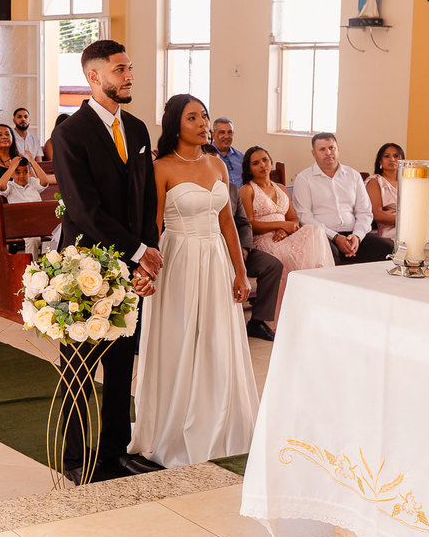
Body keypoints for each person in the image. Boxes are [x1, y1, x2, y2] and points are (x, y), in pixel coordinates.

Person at [51, 40, 163, 485]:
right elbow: (83, 209)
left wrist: (146, 260)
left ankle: (115, 451)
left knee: (121, 365)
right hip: (84, 265)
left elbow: (146, 198)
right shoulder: (70, 134)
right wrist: (136, 251)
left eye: (130, 67)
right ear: (94, 77)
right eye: (120, 69)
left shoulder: (136, 130)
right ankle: (76, 456)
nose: (129, 76)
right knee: (78, 364)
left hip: (131, 266)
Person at [129, 95, 256, 469]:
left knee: (218, 338)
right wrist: (145, 268)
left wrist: (240, 269)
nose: (203, 123)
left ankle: (220, 422)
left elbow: (227, 221)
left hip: (215, 257)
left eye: (204, 116)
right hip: (178, 259)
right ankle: (174, 422)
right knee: (181, 338)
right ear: (175, 125)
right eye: (193, 118)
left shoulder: (217, 164)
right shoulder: (161, 167)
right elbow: (151, 224)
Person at [240, 145, 333, 325]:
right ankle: (290, 310)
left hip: (285, 236)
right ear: (249, 168)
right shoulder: (248, 190)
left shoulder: (281, 188)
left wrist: (285, 229)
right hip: (264, 240)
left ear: (271, 161)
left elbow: (294, 220)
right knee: (294, 255)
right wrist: (281, 225)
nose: (262, 165)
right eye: (256, 163)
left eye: (265, 160)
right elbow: (249, 223)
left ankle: (313, 301)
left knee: (315, 231)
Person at [292, 132, 393, 265]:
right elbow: (304, 217)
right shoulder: (304, 178)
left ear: (338, 149)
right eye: (322, 149)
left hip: (354, 234)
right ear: (313, 153)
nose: (328, 152)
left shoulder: (353, 175)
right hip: (323, 236)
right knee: (330, 254)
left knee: (388, 250)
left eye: (331, 148)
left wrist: (357, 236)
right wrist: (335, 237)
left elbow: (364, 212)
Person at [221, 148, 284, 342]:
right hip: (214, 249)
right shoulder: (245, 189)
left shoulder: (231, 189)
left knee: (273, 265)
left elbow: (243, 223)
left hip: (239, 248)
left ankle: (258, 321)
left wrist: (245, 248)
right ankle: (227, 322)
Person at [365, 142, 404, 240]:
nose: (392, 159)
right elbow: (377, 214)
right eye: (387, 156)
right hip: (390, 231)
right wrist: (405, 221)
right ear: (380, 161)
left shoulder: (407, 182)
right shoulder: (375, 181)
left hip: (411, 225)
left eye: (396, 156)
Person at [211, 117, 246, 188]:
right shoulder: (206, 156)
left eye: (229, 132)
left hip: (242, 197)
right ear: (213, 135)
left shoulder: (242, 157)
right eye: (222, 132)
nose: (226, 136)